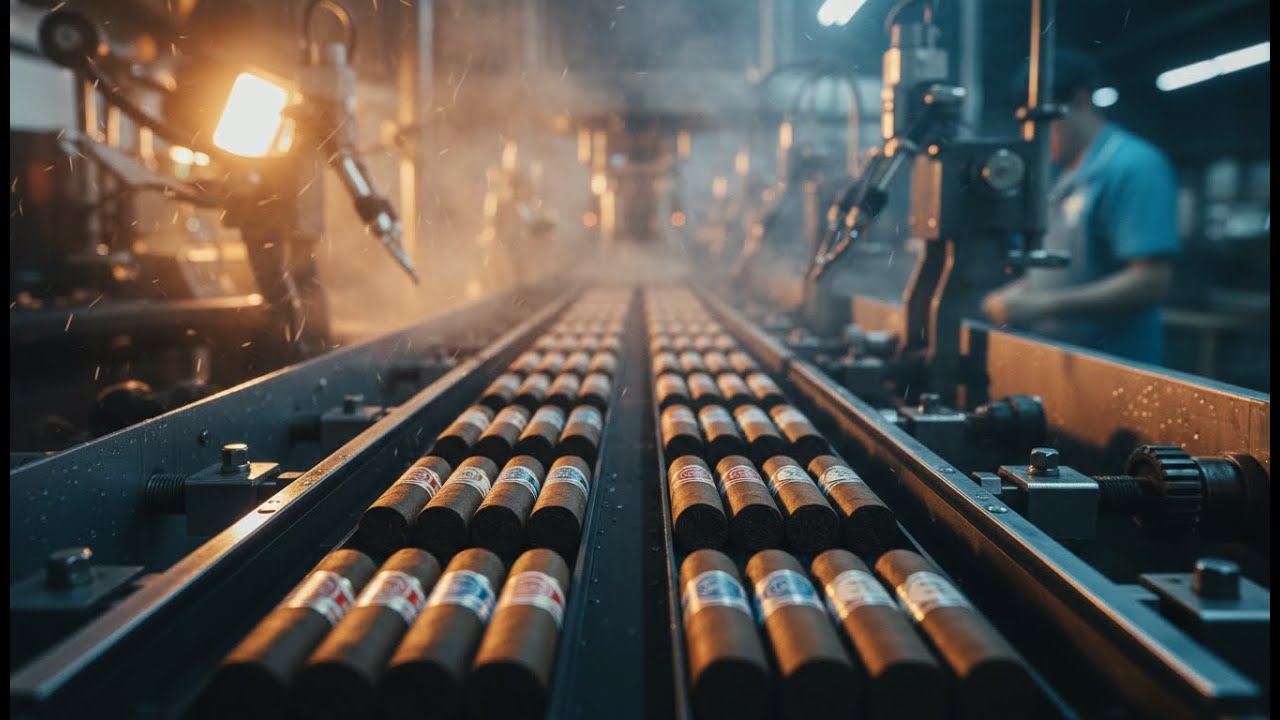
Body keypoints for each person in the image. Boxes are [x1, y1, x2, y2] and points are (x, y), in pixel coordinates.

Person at [982, 51, 1180, 364]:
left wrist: (1045, 304)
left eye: (1045, 123)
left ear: (1080, 101)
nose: (1033, 137)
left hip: (1116, 368)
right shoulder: (1064, 176)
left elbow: (1152, 280)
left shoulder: (1135, 167)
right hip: (1061, 361)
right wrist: (1022, 293)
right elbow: (1074, 268)